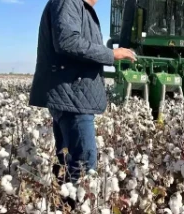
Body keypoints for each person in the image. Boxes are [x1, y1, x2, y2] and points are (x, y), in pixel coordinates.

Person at [29, 0, 136, 192]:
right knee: (84, 167)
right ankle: (76, 205)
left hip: (73, 94)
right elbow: (67, 41)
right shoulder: (68, 2)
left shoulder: (79, 7)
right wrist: (111, 54)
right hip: (73, 97)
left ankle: (64, 203)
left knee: (67, 161)